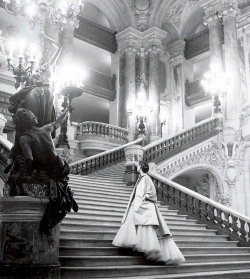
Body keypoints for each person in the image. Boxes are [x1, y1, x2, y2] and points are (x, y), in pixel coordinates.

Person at [5, 107, 78, 232]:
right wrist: (66, 111)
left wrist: (26, 173)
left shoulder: (24, 138)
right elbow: (58, 122)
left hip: (50, 172)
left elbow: (29, 159)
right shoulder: (45, 129)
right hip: (62, 167)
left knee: (16, 172)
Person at [112, 161, 185, 264]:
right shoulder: (140, 178)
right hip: (137, 205)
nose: (137, 167)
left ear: (141, 167)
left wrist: (143, 200)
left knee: (147, 227)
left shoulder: (146, 178)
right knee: (134, 224)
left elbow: (152, 192)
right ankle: (134, 248)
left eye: (138, 166)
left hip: (144, 206)